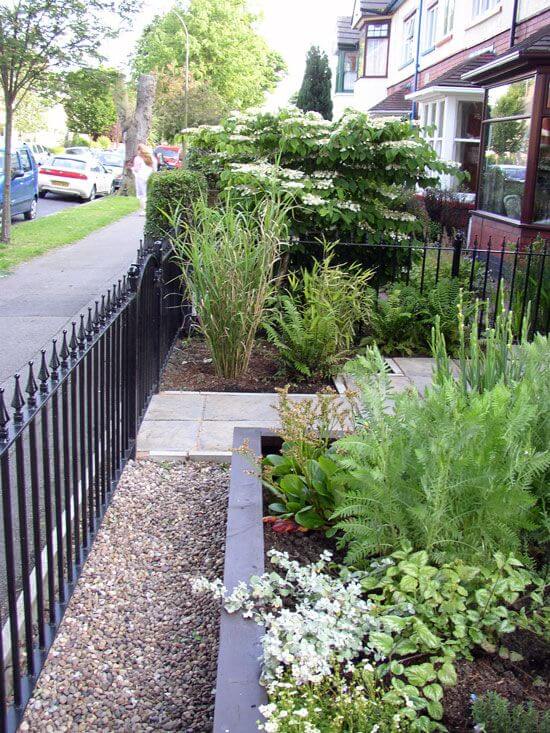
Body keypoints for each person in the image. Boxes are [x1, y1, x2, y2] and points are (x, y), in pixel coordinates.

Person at [131, 143, 157, 215]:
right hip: (150, 177)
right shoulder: (151, 158)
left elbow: (136, 169)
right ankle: (150, 209)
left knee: (142, 195)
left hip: (141, 177)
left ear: (139, 150)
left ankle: (144, 210)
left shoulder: (138, 158)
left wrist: (132, 169)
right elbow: (155, 168)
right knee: (149, 193)